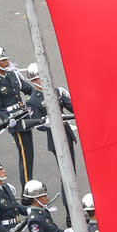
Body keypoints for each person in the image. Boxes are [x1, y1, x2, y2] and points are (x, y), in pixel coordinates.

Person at [24, 61, 77, 223]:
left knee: (72, 173)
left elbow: (72, 108)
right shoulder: (33, 100)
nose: (44, 79)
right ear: (34, 81)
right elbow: (35, 123)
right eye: (40, 78)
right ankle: (70, 211)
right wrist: (45, 122)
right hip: (55, 138)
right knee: (66, 175)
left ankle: (73, 206)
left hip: (66, 134)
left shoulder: (56, 92)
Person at [0, 45, 35, 188]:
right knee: (25, 156)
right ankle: (27, 189)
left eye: (6, 58)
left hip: (25, 116)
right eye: (2, 60)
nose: (6, 61)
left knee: (29, 154)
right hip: (15, 121)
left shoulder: (13, 75)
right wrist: (7, 120)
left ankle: (29, 184)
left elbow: (28, 89)